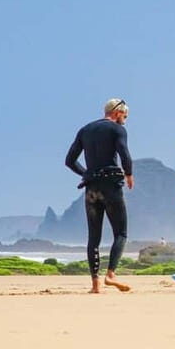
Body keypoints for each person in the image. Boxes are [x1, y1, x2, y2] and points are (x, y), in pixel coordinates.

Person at [65, 98, 134, 293]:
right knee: (120, 233)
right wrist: (129, 174)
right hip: (111, 187)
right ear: (117, 112)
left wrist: (86, 173)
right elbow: (124, 154)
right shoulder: (117, 129)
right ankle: (110, 274)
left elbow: (69, 161)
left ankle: (95, 284)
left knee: (93, 237)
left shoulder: (85, 130)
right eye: (125, 116)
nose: (125, 120)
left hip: (91, 189)